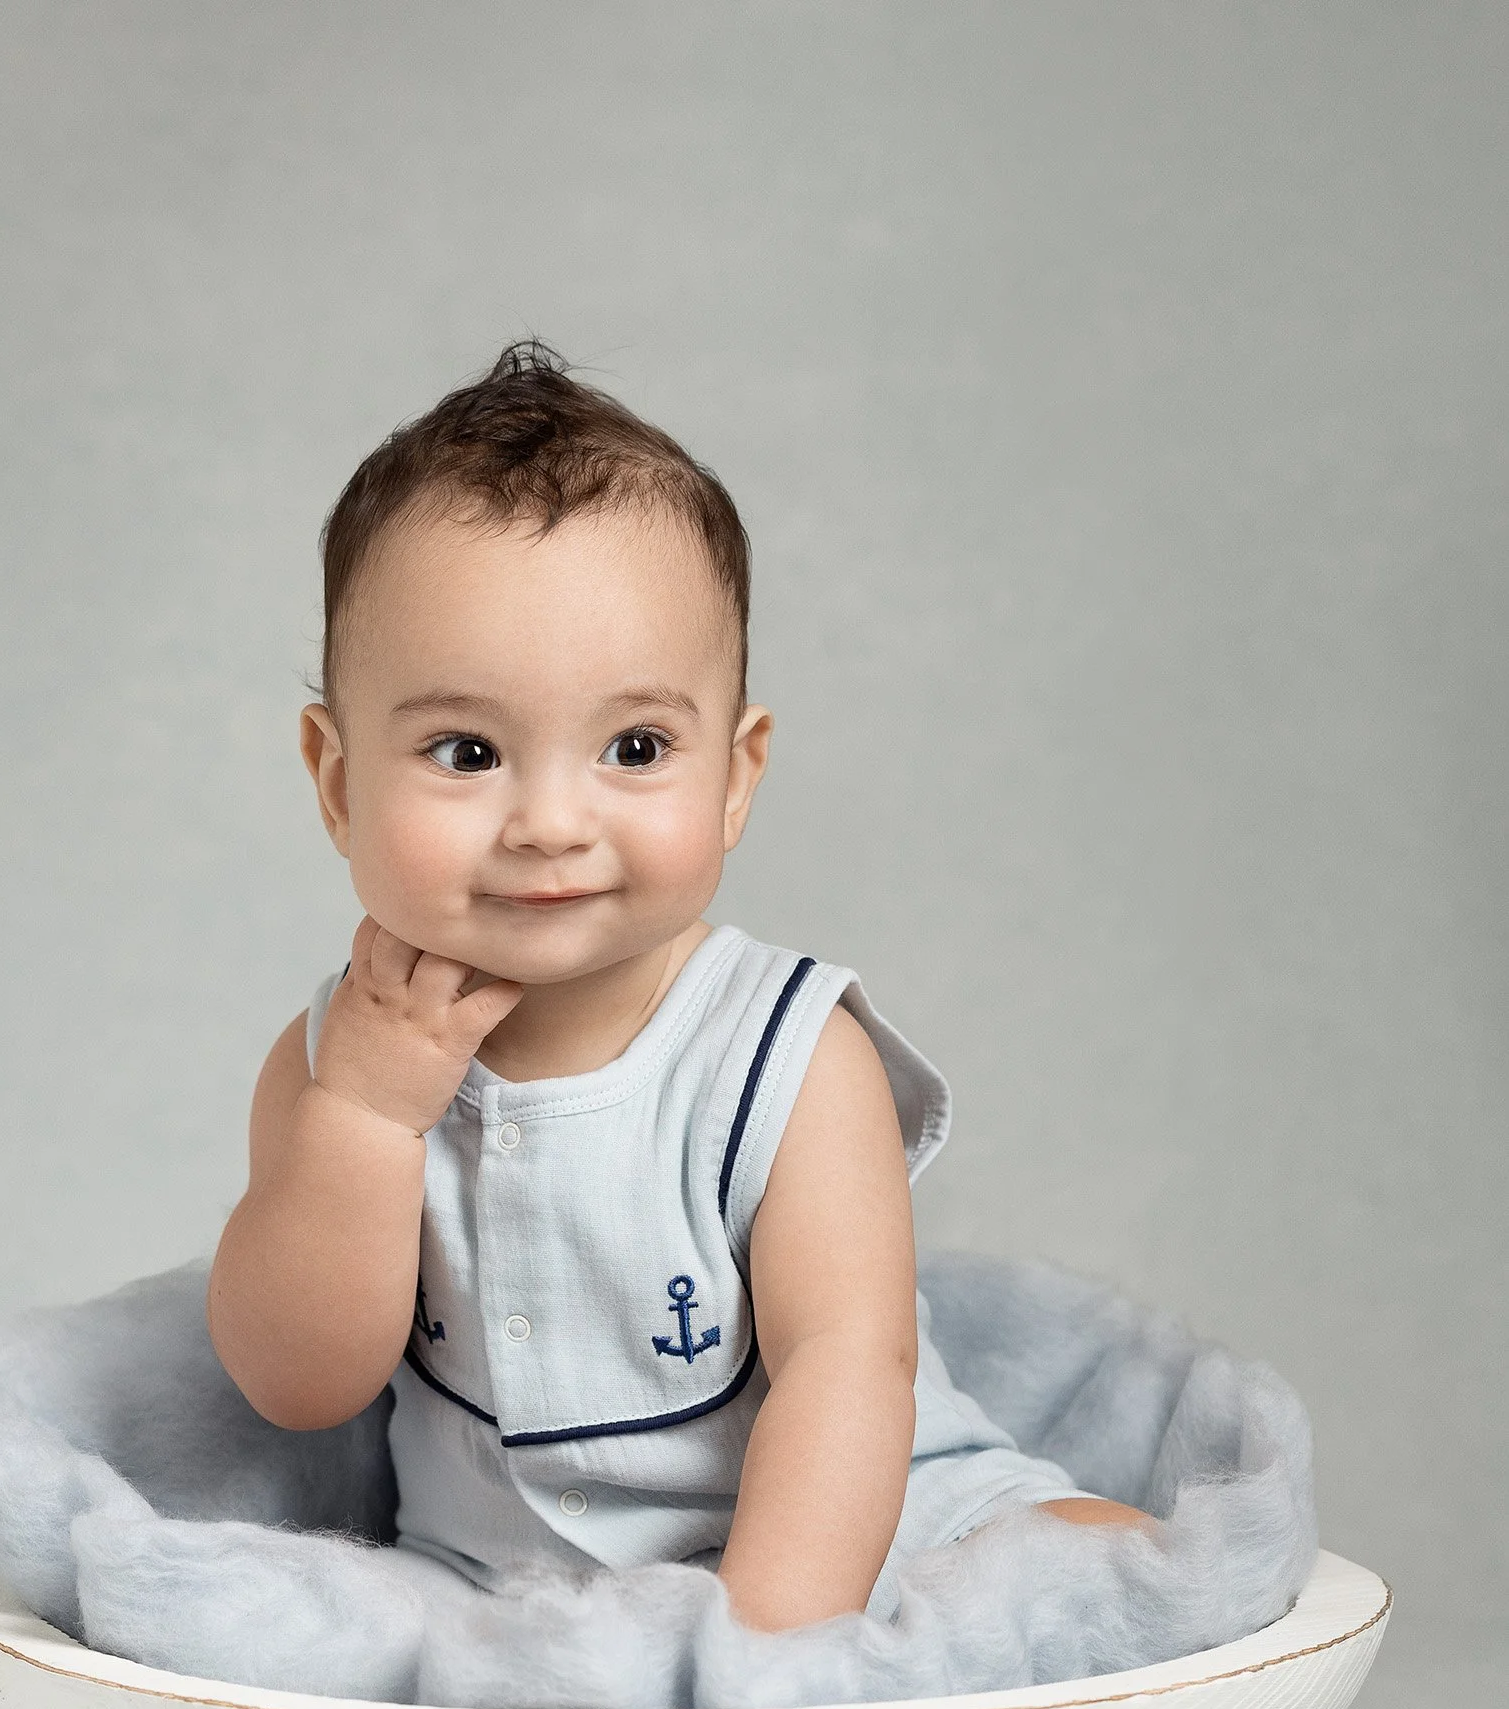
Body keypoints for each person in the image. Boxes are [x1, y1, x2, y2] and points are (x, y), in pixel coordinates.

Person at [207, 341, 1146, 1634]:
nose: (549, 820)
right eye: (467, 750)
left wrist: (759, 1645)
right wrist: (365, 1121)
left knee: (1109, 1571)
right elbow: (297, 1384)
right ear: (337, 779)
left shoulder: (789, 1054)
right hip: (496, 1570)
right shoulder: (329, 1064)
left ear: (736, 772)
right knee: (279, 1618)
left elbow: (845, 1369)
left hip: (846, 1528)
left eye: (634, 747)